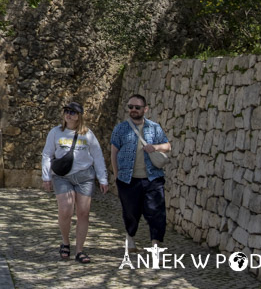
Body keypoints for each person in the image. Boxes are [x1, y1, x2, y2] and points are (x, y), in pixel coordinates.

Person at [41, 102, 108, 264]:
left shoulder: (88, 134)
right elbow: (47, 154)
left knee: (83, 213)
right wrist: (46, 177)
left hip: (84, 177)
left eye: (73, 112)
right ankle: (65, 242)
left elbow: (97, 156)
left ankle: (79, 250)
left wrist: (103, 179)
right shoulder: (56, 132)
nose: (69, 114)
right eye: (66, 111)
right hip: (62, 177)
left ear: (79, 116)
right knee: (65, 210)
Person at [110, 94, 171, 251]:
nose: (133, 110)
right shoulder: (120, 129)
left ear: (145, 109)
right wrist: (116, 175)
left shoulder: (154, 128)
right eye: (130, 107)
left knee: (156, 213)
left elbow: (167, 146)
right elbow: (114, 152)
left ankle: (156, 247)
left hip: (153, 178)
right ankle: (130, 237)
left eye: (137, 107)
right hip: (128, 179)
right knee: (131, 212)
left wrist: (155, 147)